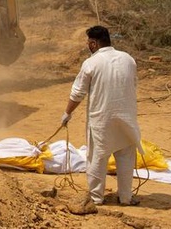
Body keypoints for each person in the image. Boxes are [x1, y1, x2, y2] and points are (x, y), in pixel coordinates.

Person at [61, 25, 142, 211]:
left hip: (101, 120)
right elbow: (133, 85)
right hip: (126, 119)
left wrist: (67, 113)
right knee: (126, 157)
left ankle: (96, 199)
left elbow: (77, 93)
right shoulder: (128, 59)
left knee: (97, 157)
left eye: (89, 42)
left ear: (93, 43)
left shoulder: (91, 63)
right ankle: (126, 198)